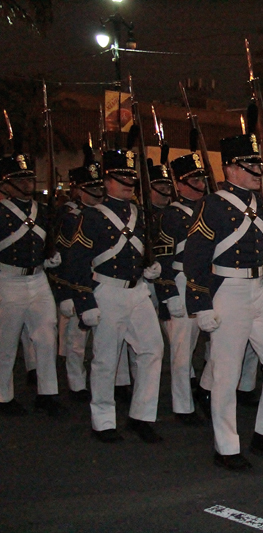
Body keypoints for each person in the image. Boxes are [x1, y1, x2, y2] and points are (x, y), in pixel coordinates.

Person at [183, 132, 263, 471]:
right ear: (231, 168)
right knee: (226, 374)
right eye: (250, 164)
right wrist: (200, 303)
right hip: (227, 291)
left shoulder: (262, 204)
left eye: (258, 164)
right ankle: (226, 446)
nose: (257, 170)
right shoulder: (212, 204)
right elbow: (195, 257)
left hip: (258, 288)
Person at [66, 147, 165, 443]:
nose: (127, 182)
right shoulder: (93, 216)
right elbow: (76, 261)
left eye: (131, 177)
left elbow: (146, 248)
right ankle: (103, 420)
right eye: (121, 177)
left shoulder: (138, 212)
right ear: (106, 180)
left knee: (153, 349)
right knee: (106, 359)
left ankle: (142, 415)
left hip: (137, 291)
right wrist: (85, 301)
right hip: (106, 291)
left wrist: (150, 267)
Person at [0, 149, 65, 417]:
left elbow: (53, 238)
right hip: (8, 279)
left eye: (28, 177)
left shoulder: (44, 210)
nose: (27, 182)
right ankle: (3, 396)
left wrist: (51, 256)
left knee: (47, 336)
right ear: (5, 183)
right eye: (20, 178)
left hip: (38, 278)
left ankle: (47, 392)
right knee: (6, 340)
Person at [153, 152, 210, 426]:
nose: (200, 183)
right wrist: (169, 293)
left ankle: (207, 391)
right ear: (181, 183)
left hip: (208, 281)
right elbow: (163, 259)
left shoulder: (210, 209)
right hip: (182, 280)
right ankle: (182, 405)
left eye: (201, 177)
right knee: (182, 350)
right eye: (195, 178)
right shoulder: (171, 215)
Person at [50, 152, 105, 403]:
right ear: (79, 190)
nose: (97, 192)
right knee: (76, 338)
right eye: (91, 188)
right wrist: (65, 293)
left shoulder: (105, 214)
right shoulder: (70, 217)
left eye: (99, 186)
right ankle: (76, 384)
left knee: (100, 341)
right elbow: (64, 260)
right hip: (78, 283)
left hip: (102, 282)